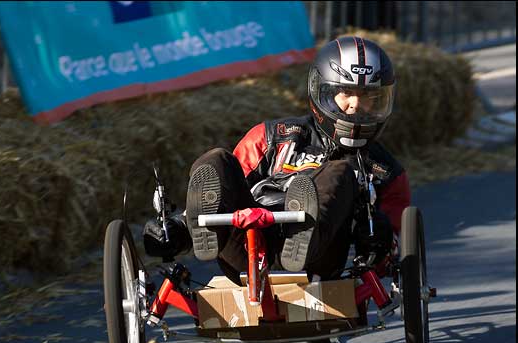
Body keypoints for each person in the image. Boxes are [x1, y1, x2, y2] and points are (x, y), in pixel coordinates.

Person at [143, 36, 411, 286]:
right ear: (324, 92)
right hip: (248, 246)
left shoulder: (385, 171)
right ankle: (199, 230)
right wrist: (175, 228)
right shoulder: (271, 137)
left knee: (339, 171)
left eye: (367, 97)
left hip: (318, 260)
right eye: (346, 93)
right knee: (216, 159)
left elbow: (396, 248)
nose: (355, 105)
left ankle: (302, 236)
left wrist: (379, 239)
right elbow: (222, 193)